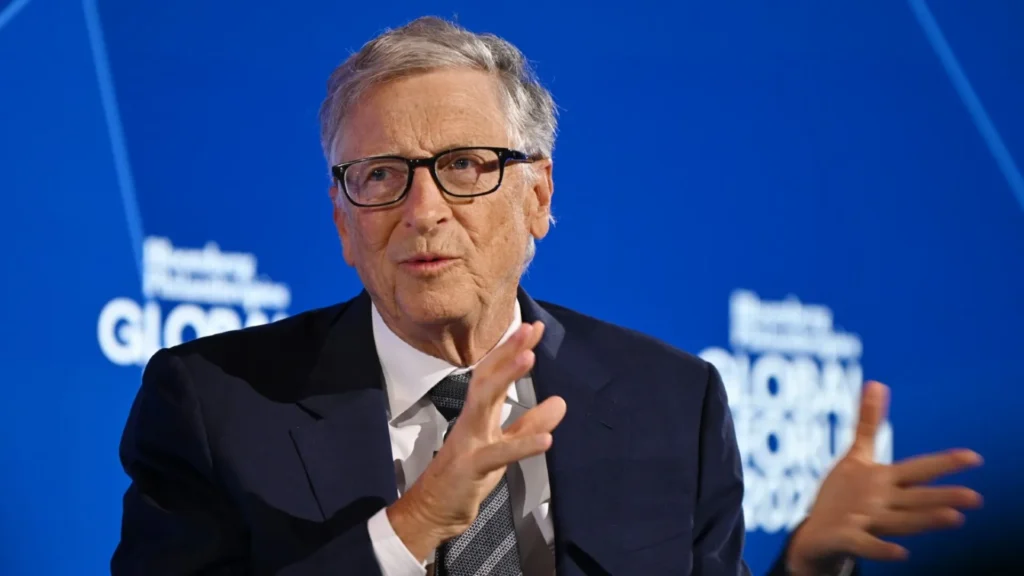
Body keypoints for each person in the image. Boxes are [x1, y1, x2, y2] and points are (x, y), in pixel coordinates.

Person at [111, 16, 983, 576]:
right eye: (381, 176)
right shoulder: (215, 403)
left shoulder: (670, 401)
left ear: (538, 196)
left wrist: (806, 565)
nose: (423, 211)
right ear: (342, 219)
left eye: (463, 167)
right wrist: (410, 528)